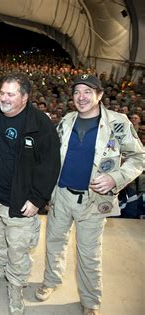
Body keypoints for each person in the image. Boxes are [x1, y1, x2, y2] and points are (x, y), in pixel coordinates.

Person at [35, 75, 144, 315]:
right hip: (62, 195)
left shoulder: (118, 123)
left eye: (87, 91)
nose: (81, 97)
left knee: (89, 253)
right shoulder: (67, 120)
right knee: (54, 243)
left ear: (100, 95)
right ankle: (51, 281)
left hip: (93, 201)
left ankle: (91, 300)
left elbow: (139, 158)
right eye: (77, 92)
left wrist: (114, 178)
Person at [0, 73, 60, 315]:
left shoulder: (40, 126)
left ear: (25, 97)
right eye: (2, 93)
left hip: (19, 202)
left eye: (10, 94)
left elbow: (50, 166)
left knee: (18, 248)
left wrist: (37, 199)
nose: (4, 98)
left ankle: (15, 285)